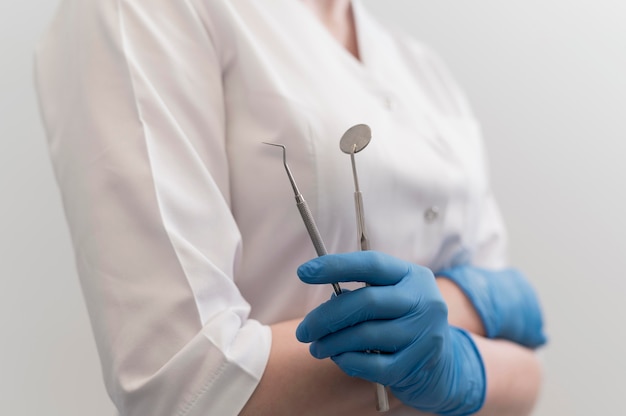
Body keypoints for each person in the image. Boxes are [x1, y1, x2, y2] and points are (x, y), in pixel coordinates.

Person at [35, 0, 546, 414]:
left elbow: (528, 372)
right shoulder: (142, 11)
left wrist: (464, 370)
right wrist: (472, 302)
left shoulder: (422, 69)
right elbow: (186, 386)